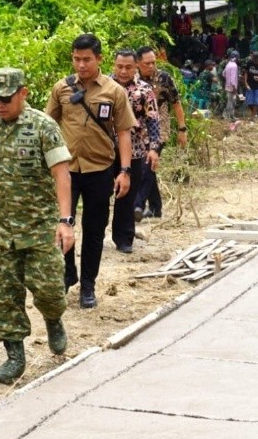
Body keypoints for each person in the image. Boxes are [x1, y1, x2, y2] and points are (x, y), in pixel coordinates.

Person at [0, 68, 75, 385]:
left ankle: (53, 318)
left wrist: (65, 221)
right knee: (5, 297)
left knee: (48, 288)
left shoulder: (43, 126)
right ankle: (14, 356)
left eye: (5, 98)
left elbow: (62, 174)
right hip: (4, 231)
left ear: (23, 93)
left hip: (39, 227)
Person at [46, 34, 135, 309]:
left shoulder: (114, 92)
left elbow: (123, 133)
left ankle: (88, 285)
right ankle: (67, 273)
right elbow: (48, 126)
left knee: (95, 230)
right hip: (66, 171)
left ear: (99, 59)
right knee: (63, 224)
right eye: (76, 59)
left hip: (100, 169)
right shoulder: (61, 88)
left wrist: (125, 171)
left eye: (87, 59)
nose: (81, 65)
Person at [111, 49, 162, 253]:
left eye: (128, 67)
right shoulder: (103, 86)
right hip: (104, 150)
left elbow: (153, 120)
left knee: (127, 196)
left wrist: (154, 148)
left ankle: (124, 238)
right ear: (114, 66)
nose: (123, 71)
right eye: (120, 66)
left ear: (136, 67)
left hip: (135, 150)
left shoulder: (144, 90)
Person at [134, 45, 187, 220]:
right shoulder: (132, 80)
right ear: (138, 63)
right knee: (147, 167)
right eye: (147, 63)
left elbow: (176, 104)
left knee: (148, 166)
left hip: (160, 127)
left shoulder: (164, 78)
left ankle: (138, 205)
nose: (151, 66)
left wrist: (182, 129)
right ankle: (156, 208)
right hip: (139, 129)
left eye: (153, 62)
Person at [223, 51, 241, 121]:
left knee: (229, 101)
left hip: (227, 85)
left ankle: (229, 116)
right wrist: (234, 87)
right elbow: (233, 78)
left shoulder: (228, 64)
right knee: (232, 102)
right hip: (232, 86)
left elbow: (223, 74)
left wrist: (228, 79)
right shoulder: (234, 65)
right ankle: (230, 116)